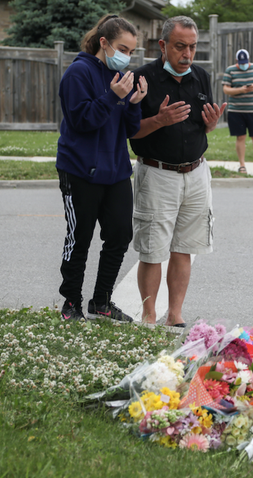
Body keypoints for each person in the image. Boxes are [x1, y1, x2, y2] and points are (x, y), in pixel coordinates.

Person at [130, 16, 226, 328]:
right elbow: (130, 133)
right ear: (163, 46)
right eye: (180, 46)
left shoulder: (200, 76)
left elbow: (204, 123)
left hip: (196, 173)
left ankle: (175, 314)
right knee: (153, 250)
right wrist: (159, 120)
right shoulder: (143, 78)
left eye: (192, 47)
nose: (187, 54)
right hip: (157, 174)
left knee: (184, 248)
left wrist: (211, 124)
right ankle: (149, 316)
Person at [55, 14, 147, 322]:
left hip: (116, 169)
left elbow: (129, 130)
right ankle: (71, 303)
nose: (127, 56)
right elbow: (82, 121)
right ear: (104, 43)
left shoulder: (121, 79)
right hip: (80, 169)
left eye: (132, 51)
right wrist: (113, 96)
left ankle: (102, 301)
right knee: (79, 237)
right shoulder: (77, 74)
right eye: (123, 48)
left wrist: (134, 102)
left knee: (120, 234)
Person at [222, 49, 253, 176]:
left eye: (245, 62)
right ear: (237, 61)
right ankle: (242, 165)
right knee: (240, 137)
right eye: (241, 62)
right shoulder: (230, 70)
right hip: (236, 110)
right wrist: (240, 90)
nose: (243, 64)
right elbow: (226, 89)